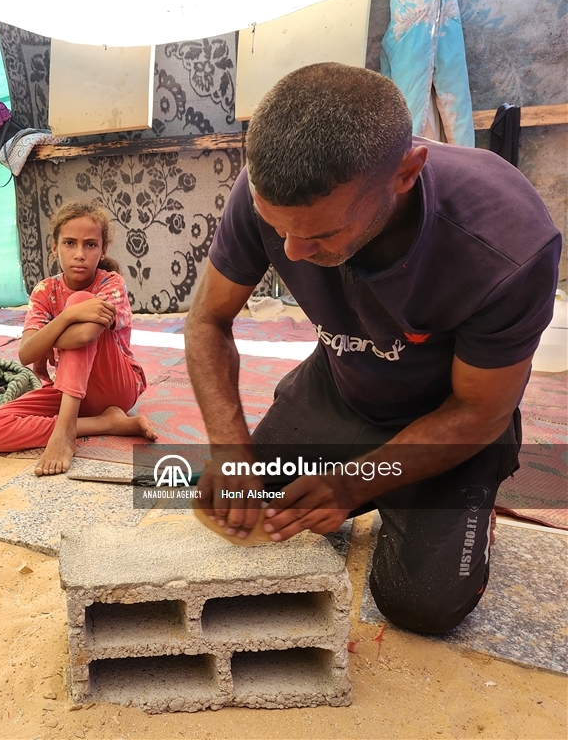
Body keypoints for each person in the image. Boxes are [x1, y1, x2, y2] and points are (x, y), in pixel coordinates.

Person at [186, 63, 560, 634]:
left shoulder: (506, 243)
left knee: (423, 604)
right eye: (276, 227)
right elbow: (208, 320)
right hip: (343, 388)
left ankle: (451, 505)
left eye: (323, 234)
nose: (293, 250)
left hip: (446, 421)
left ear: (407, 172)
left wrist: (353, 482)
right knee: (250, 508)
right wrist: (229, 448)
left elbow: (478, 411)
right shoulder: (272, 192)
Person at [0, 200, 157, 475]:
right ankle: (103, 423)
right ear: (54, 247)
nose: (79, 254)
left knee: (80, 299)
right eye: (70, 243)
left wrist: (47, 339)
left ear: (103, 249)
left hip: (116, 388)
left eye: (90, 245)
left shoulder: (111, 284)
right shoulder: (45, 290)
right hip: (71, 391)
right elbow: (26, 354)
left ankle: (64, 434)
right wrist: (65, 318)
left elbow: (83, 336)